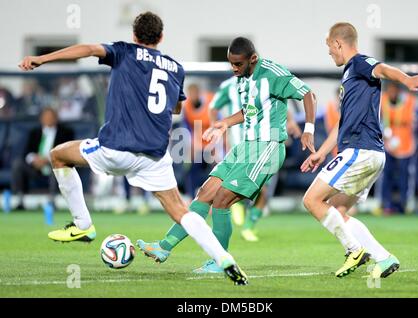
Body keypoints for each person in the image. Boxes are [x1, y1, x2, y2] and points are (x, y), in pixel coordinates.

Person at [19, 11, 247, 285]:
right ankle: (223, 258)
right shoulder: (176, 68)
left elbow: (89, 49)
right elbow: (175, 107)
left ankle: (82, 226)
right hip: (154, 155)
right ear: (161, 37)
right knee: (181, 211)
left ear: (134, 35)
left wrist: (42, 58)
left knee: (58, 155)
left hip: (116, 148)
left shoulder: (124, 52)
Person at [138, 37, 316, 273]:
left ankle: (220, 261)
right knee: (205, 192)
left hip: (267, 147)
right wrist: (224, 123)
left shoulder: (272, 73)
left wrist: (309, 130)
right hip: (244, 147)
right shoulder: (242, 79)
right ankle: (164, 246)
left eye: (238, 64)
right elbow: (249, 110)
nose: (234, 68)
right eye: (231, 63)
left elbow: (308, 94)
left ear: (253, 59)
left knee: (221, 199)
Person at [301, 22, 418, 279]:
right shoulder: (350, 76)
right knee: (337, 212)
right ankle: (383, 258)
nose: (330, 54)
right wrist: (322, 152)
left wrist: (405, 79)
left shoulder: (359, 63)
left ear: (338, 43)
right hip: (369, 154)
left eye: (330, 48)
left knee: (311, 200)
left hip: (359, 151)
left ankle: (354, 250)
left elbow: (380, 68)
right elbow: (342, 122)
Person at [209, 76, 302, 243]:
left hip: (264, 143)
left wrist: (290, 121)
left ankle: (247, 224)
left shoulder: (262, 81)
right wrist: (216, 129)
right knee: (252, 188)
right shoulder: (228, 86)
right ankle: (241, 215)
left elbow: (275, 102)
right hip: (240, 143)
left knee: (263, 189)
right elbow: (213, 107)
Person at [11, 107, 74, 210]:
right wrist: (34, 159)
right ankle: (19, 199)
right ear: (41, 119)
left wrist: (47, 159)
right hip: (35, 168)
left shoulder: (66, 132)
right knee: (18, 164)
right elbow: (27, 152)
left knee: (58, 168)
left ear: (56, 118)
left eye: (51, 117)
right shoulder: (34, 132)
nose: (48, 119)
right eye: (46, 117)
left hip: (54, 166)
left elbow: (67, 152)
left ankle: (52, 201)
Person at [380, 82, 418, 214]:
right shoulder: (382, 101)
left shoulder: (410, 102)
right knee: (386, 174)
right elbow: (376, 119)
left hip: (406, 146)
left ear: (399, 91)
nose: (392, 93)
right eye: (390, 90)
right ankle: (385, 203)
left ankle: (404, 204)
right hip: (387, 145)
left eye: (395, 90)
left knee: (405, 175)